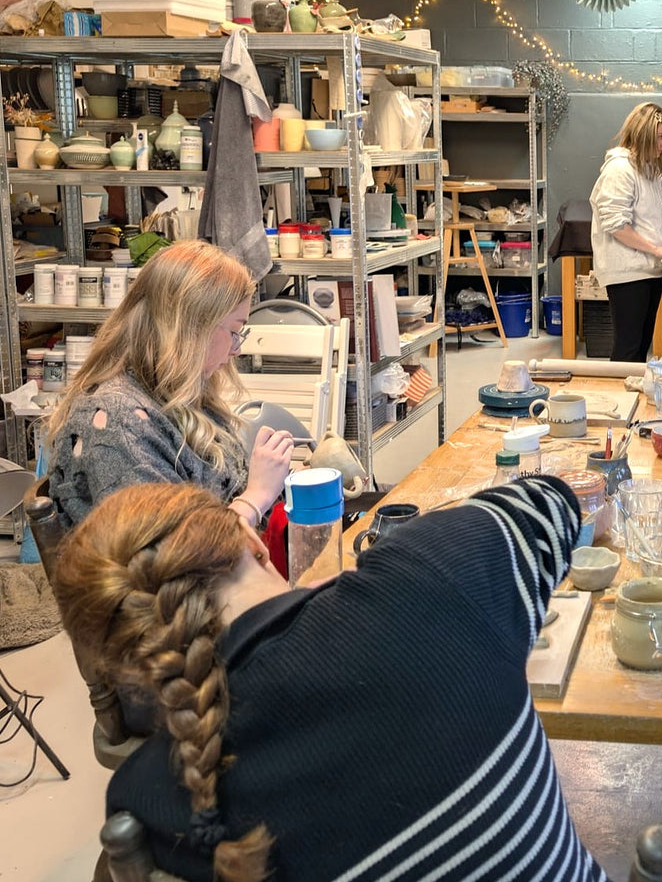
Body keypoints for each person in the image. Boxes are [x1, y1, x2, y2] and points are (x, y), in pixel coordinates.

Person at [52, 477, 608, 882]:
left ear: (124, 663)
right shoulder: (434, 575)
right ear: (250, 541)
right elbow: (554, 502)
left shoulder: (146, 799)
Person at [45, 239, 293, 532]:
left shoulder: (170, 396)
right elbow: (169, 560)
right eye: (235, 331)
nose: (237, 349)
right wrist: (257, 496)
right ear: (190, 329)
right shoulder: (117, 424)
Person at [590, 101, 662, 363]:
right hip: (627, 272)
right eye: (660, 137)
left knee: (641, 345)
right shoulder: (620, 170)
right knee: (628, 348)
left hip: (648, 268)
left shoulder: (651, 170)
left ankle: (633, 397)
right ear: (643, 133)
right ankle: (620, 401)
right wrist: (657, 249)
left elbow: (658, 213)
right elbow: (616, 224)